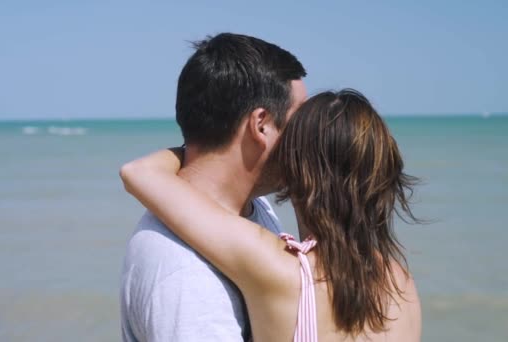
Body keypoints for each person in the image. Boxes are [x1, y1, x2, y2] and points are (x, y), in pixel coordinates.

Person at [121, 89, 422, 341]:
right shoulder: (402, 282)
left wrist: (204, 144)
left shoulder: (277, 268)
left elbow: (140, 173)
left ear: (295, 170)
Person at [119, 32, 307, 341]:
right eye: (301, 120)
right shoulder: (185, 272)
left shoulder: (251, 206)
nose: (310, 134)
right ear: (261, 124)